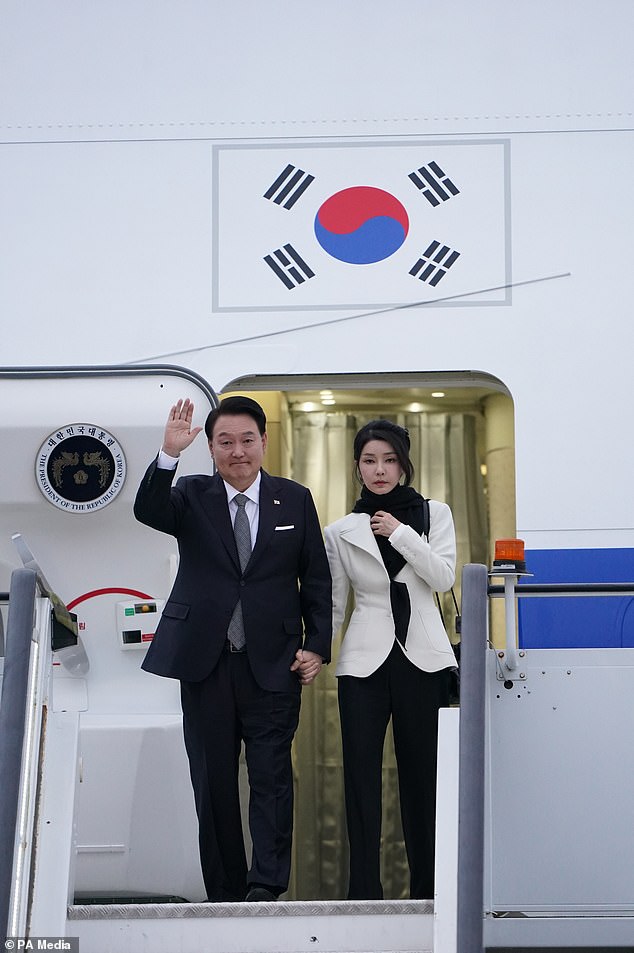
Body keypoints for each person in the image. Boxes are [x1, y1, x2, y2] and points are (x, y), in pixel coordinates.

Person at [134, 395, 332, 903]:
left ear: (264, 442)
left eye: (247, 440)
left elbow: (315, 578)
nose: (238, 451)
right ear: (210, 447)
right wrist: (167, 456)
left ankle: (265, 886)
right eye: (225, 442)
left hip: (274, 664)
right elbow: (148, 510)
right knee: (214, 782)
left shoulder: (295, 498)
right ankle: (223, 892)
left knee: (271, 780)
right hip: (206, 662)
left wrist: (318, 646)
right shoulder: (191, 494)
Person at [324, 419, 457, 901]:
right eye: (369, 460)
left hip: (423, 658)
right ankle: (364, 894)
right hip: (363, 662)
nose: (379, 470)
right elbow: (336, 601)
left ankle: (429, 892)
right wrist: (316, 651)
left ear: (404, 464)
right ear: (357, 466)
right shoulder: (339, 530)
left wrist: (401, 532)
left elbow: (442, 578)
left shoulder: (434, 514)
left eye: (389, 460)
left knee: (423, 781)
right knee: (360, 780)